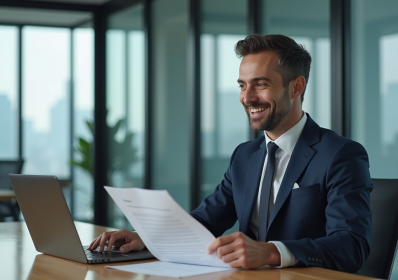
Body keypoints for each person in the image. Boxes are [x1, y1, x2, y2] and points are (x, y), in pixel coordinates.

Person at [88, 34, 372, 273]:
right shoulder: (245, 155)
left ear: (296, 86)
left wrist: (272, 252)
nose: (247, 98)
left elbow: (351, 245)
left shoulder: (340, 154)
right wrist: (144, 238)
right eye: (242, 85)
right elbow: (205, 221)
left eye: (261, 84)